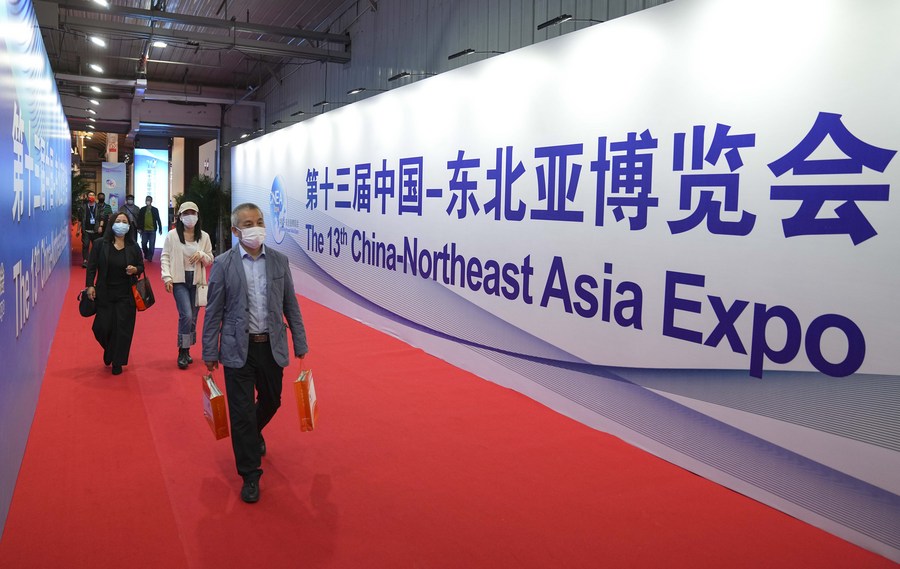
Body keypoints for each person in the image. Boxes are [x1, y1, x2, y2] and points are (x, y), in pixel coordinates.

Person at [202, 202, 309, 504]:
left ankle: (252, 431)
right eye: (248, 224)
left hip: (271, 345)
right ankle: (250, 474)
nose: (256, 228)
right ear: (236, 231)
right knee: (241, 413)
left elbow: (290, 305)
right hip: (238, 348)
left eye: (259, 222)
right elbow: (214, 311)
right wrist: (209, 350)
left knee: (272, 400)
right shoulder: (223, 264)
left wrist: (300, 342)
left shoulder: (279, 261)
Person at [85, 212, 144, 376]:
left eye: (125, 221)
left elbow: (141, 266)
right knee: (101, 327)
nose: (121, 224)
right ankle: (110, 349)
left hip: (126, 295)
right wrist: (90, 286)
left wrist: (135, 269)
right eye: (118, 221)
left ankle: (117, 361)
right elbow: (91, 267)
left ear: (129, 226)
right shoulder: (100, 244)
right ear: (111, 224)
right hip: (105, 293)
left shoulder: (133, 246)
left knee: (122, 330)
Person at [161, 201, 213, 369]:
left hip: (197, 281)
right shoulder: (172, 235)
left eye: (193, 213)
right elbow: (165, 256)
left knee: (194, 318)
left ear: (197, 216)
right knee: (187, 315)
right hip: (180, 280)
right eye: (186, 213)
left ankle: (187, 349)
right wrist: (167, 277)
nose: (190, 217)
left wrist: (202, 254)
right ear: (180, 216)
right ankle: (182, 351)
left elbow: (210, 259)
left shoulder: (204, 236)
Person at [77, 191, 99, 268]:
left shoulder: (98, 207)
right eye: (90, 195)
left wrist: (100, 226)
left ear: (95, 197)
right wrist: (78, 230)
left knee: (96, 246)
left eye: (93, 195)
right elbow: (80, 219)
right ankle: (85, 260)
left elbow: (101, 218)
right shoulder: (83, 207)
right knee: (85, 245)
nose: (91, 196)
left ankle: (95, 261)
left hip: (95, 231)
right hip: (86, 230)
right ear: (87, 196)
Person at [138, 195, 163, 261]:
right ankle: (146, 254)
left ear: (151, 201)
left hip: (152, 230)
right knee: (143, 244)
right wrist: (139, 228)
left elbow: (158, 219)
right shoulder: (142, 209)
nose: (147, 201)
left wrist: (160, 229)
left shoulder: (155, 209)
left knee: (151, 245)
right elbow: (139, 219)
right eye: (147, 200)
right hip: (144, 230)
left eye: (149, 200)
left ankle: (150, 257)